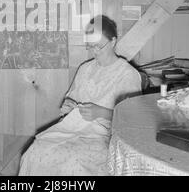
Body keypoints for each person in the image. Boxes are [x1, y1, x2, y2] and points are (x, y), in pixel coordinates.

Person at [19, 15, 142, 176]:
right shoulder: (85, 69)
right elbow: (69, 104)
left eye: (98, 46)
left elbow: (134, 121)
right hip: (73, 130)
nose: (94, 52)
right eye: (90, 46)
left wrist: (102, 112)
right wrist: (68, 106)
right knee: (35, 151)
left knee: (72, 163)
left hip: (105, 137)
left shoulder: (128, 75)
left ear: (113, 41)